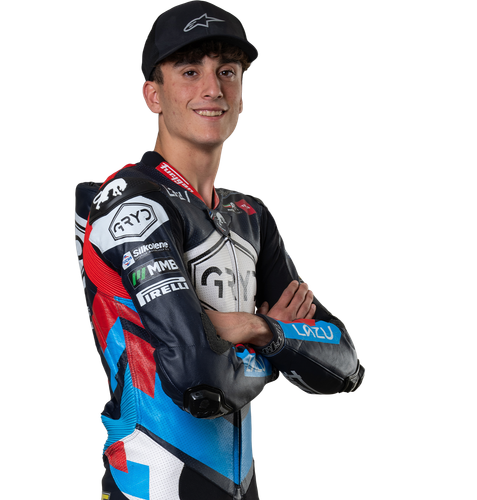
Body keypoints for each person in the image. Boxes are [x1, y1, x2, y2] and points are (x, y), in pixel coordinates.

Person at [73, 2, 366, 499]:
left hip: (242, 488)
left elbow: (343, 363)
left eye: (226, 72)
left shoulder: (250, 216)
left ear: (241, 93)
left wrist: (255, 328)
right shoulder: (131, 203)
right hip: (151, 488)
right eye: (190, 71)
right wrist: (283, 346)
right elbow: (198, 378)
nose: (212, 88)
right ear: (152, 95)